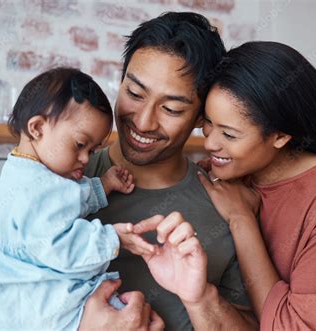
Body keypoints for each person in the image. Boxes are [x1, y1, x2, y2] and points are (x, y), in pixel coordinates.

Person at [0, 67, 164, 330]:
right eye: (80, 145)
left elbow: (63, 204)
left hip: (13, 296)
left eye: (93, 149)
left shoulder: (27, 173)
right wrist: (113, 238)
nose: (87, 159)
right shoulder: (35, 188)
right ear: (38, 128)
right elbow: (59, 245)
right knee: (124, 312)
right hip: (33, 301)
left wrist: (103, 186)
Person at [84, 12, 255, 330]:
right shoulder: (63, 182)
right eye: (134, 94)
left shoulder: (225, 204)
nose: (144, 122)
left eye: (171, 109)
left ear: (200, 118)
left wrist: (201, 298)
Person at [197, 41, 316, 330]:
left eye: (230, 134)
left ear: (280, 136)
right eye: (208, 122)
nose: (209, 143)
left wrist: (241, 219)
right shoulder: (231, 174)